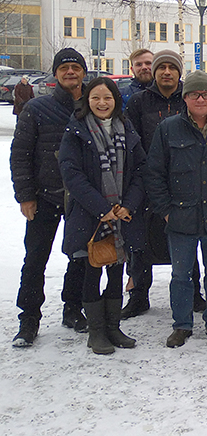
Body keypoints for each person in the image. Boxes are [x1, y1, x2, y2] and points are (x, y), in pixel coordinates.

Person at [145, 70, 207, 348]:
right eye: (193, 94)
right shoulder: (168, 129)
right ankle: (182, 324)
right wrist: (165, 209)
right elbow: (155, 173)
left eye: (205, 94)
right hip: (181, 216)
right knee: (181, 275)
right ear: (185, 97)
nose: (200, 99)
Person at [58, 77, 146, 354]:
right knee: (92, 271)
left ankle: (113, 327)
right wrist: (102, 209)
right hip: (89, 216)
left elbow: (141, 171)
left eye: (107, 98)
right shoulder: (76, 131)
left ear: (115, 101)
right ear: (87, 101)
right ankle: (96, 332)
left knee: (117, 270)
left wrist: (127, 205)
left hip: (123, 215)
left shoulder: (126, 129)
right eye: (95, 97)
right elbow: (72, 175)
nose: (102, 103)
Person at [11, 48, 90, 347]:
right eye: (64, 68)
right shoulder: (37, 108)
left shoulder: (93, 105)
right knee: (35, 259)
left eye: (75, 67)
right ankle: (29, 318)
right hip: (45, 196)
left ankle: (73, 308)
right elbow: (21, 155)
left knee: (80, 257)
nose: (70, 72)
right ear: (56, 74)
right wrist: (25, 195)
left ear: (83, 72)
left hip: (82, 198)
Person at [122, 49, 205, 318]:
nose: (166, 72)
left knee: (185, 237)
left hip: (185, 181)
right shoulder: (138, 102)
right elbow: (131, 141)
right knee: (141, 241)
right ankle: (139, 295)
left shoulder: (189, 99)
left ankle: (193, 293)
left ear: (179, 72)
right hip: (147, 181)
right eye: (161, 67)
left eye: (172, 67)